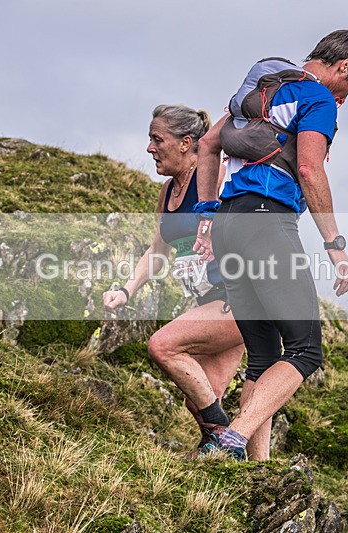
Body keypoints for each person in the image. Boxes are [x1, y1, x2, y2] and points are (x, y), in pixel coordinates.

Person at [192, 30, 348, 459]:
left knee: (262, 355)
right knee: (305, 350)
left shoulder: (264, 87)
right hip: (266, 222)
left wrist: (205, 214)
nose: (345, 99)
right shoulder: (318, 99)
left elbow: (207, 144)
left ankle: (254, 465)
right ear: (344, 66)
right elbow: (309, 170)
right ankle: (229, 440)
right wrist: (334, 243)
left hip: (227, 224)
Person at [103, 104, 266, 458]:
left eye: (157, 139)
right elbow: (157, 250)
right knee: (200, 398)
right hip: (210, 300)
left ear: (185, 143)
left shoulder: (217, 177)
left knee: (162, 346)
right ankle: (245, 463)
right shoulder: (167, 192)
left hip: (240, 296)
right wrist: (126, 291)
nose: (149, 148)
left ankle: (221, 438)